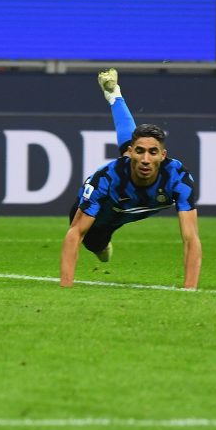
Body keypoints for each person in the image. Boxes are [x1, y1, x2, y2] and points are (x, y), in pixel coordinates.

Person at [60, 68, 202, 290]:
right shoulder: (107, 178)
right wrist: (65, 287)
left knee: (135, 140)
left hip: (126, 210)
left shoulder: (178, 178)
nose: (145, 159)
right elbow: (75, 234)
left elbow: (191, 238)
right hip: (101, 219)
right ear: (130, 153)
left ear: (163, 155)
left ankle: (114, 95)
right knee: (99, 251)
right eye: (139, 152)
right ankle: (104, 246)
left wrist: (190, 290)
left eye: (153, 152)